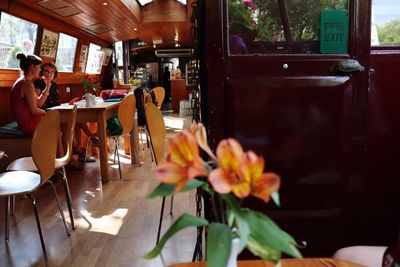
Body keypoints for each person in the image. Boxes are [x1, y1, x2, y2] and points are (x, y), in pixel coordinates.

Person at [34, 62, 96, 162]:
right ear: (41, 71)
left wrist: (68, 104)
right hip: (48, 113)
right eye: (46, 71)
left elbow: (56, 101)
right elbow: (37, 102)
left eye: (52, 72)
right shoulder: (38, 83)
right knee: (69, 125)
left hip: (58, 109)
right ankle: (72, 157)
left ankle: (80, 148)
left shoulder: (53, 84)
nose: (49, 74)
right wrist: (47, 85)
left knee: (77, 118)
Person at [10, 52, 49, 134]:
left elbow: (38, 103)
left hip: (25, 120)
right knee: (57, 122)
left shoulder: (25, 81)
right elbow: (34, 110)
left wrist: (48, 85)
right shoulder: (26, 84)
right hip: (27, 122)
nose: (40, 70)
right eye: (39, 67)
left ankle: (62, 147)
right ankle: (61, 147)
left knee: (58, 122)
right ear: (32, 67)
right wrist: (47, 113)